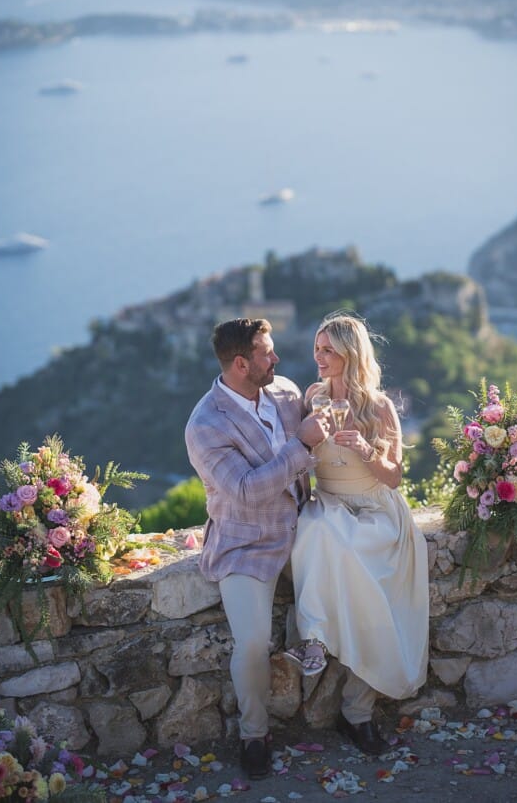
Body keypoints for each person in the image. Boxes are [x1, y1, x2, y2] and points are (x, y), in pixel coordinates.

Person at [184, 318, 329, 780]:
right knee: (250, 643)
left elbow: (335, 406)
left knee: (354, 594)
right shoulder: (204, 424)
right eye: (267, 353)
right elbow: (245, 490)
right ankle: (254, 734)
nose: (277, 359)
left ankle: (356, 711)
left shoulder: (286, 392)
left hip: (306, 530)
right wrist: (300, 444)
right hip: (245, 543)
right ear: (241, 363)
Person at [284, 312, 429, 756]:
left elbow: (394, 477)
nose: (319, 356)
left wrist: (366, 450)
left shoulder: (379, 407)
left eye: (328, 349)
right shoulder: (312, 397)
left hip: (374, 512)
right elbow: (297, 456)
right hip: (329, 505)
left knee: (373, 610)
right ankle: (312, 639)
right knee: (318, 526)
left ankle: (357, 710)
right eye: (317, 347)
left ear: (351, 353)